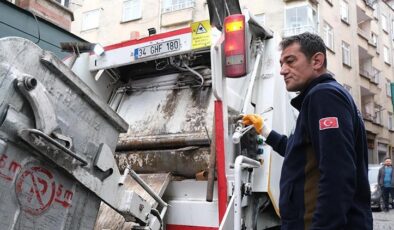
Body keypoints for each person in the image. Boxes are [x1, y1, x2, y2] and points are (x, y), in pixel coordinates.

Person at [243, 32, 372, 230]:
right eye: (281, 63)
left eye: (290, 61)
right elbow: (300, 154)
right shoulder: (320, 97)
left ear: (317, 61)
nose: (283, 70)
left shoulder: (324, 96)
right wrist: (265, 131)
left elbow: (337, 174)